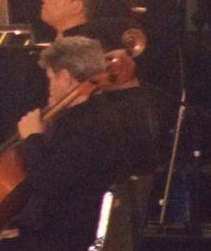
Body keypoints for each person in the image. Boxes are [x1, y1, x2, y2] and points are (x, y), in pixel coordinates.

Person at [13, 36, 156, 251]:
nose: (49, 87)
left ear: (66, 77)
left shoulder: (85, 125)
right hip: (64, 233)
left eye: (51, 78)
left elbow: (49, 182)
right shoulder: (97, 114)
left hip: (63, 239)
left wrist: (33, 138)